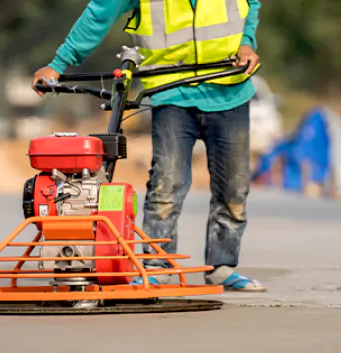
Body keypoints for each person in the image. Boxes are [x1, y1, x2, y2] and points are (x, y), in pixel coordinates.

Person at [32, 0, 266, 305]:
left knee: (234, 190)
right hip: (172, 90)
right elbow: (100, 13)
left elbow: (251, 6)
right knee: (166, 185)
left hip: (231, 88)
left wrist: (247, 43)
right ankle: (157, 263)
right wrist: (58, 64)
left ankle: (221, 267)